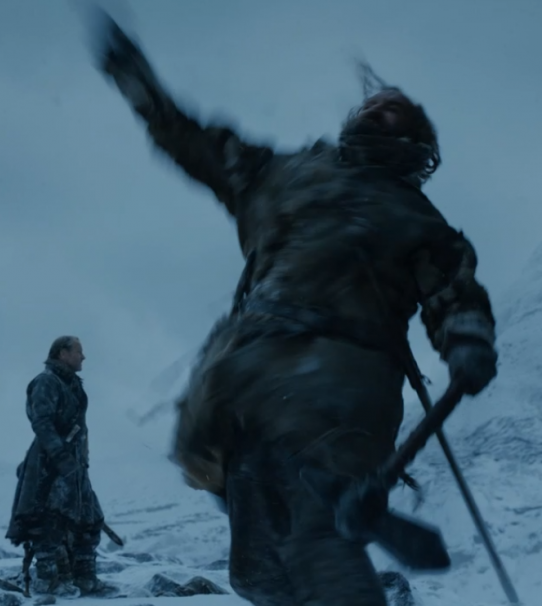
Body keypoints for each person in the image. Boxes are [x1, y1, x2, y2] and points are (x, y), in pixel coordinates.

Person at [91, 12, 498, 606]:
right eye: (377, 104)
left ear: (418, 141)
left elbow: (455, 292)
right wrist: (141, 86)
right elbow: (194, 142)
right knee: (258, 570)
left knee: (317, 538)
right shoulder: (282, 175)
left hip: (337, 390)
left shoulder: (418, 220)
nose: (384, 107)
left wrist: (467, 336)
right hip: (247, 386)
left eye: (399, 110)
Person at [5, 336, 116, 597]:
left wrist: (79, 462)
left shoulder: (71, 385)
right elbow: (42, 423)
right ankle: (49, 581)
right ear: (63, 353)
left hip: (75, 465)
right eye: (78, 351)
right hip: (50, 464)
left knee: (90, 519)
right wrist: (61, 458)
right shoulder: (46, 382)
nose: (83, 357)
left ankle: (85, 578)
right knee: (49, 521)